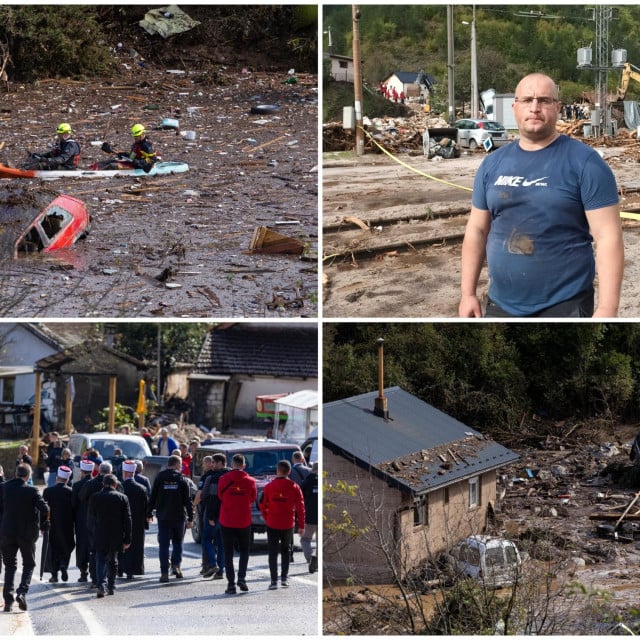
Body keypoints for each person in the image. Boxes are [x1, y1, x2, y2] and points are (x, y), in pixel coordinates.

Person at [459, 72, 624, 318]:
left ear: (557, 107)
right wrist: (468, 294)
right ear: (514, 107)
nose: (535, 108)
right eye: (527, 100)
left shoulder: (585, 163)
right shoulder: (492, 164)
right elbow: (477, 230)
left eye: (544, 100)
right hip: (499, 305)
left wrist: (607, 309)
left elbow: (608, 237)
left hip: (565, 306)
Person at [0, 464, 49, 612]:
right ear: (28, 476)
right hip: (26, 534)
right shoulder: (32, 490)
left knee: (10, 566)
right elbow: (45, 509)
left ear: (15, 473)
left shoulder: (3, 487)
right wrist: (44, 523)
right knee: (28, 564)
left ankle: (8, 601)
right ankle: (21, 592)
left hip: (7, 531)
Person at [147, 455, 193, 583]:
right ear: (178, 465)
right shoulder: (182, 479)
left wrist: (149, 512)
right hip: (179, 517)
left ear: (168, 464)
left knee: (164, 545)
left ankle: (164, 573)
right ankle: (176, 566)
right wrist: (191, 517)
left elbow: (153, 496)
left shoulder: (160, 477)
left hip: (163, 517)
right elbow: (188, 500)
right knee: (178, 542)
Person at [260, 460, 305, 590]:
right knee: (286, 551)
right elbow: (301, 508)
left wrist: (266, 517)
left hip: (272, 523)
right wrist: (301, 525)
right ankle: (284, 578)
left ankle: (274, 581)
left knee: (272, 553)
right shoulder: (294, 486)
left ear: (277, 471)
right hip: (288, 524)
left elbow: (262, 504)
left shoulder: (269, 487)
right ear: (289, 471)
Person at [218, 453, 257, 594]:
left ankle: (230, 584)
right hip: (243, 520)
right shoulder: (250, 481)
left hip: (227, 520)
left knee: (228, 552)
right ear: (244, 465)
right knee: (244, 550)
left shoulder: (223, 479)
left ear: (232, 464)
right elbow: (252, 498)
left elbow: (220, 496)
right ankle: (242, 577)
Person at [87, 474, 131, 598]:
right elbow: (127, 520)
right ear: (115, 485)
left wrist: (92, 533)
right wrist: (127, 538)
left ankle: (101, 584)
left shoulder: (95, 497)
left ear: (103, 484)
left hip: (100, 533)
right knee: (113, 560)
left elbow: (90, 518)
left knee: (100, 559)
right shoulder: (123, 497)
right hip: (116, 534)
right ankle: (111, 586)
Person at [42, 465, 75, 583]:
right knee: (67, 546)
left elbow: (43, 510)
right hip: (67, 525)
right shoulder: (71, 492)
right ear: (67, 479)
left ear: (57, 478)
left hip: (52, 524)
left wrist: (42, 525)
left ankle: (54, 574)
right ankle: (63, 565)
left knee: (53, 549)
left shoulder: (48, 491)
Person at [202, 453, 230, 580]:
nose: (211, 465)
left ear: (220, 463)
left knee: (207, 539)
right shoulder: (231, 476)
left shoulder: (213, 478)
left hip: (215, 515)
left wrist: (211, 516)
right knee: (221, 543)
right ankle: (221, 571)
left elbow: (211, 497)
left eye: (213, 462)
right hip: (227, 515)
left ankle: (213, 564)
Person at [119, 461, 149, 580]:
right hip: (137, 521)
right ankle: (132, 570)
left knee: (122, 545)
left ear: (125, 473)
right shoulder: (142, 488)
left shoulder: (120, 487)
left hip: (122, 521)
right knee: (136, 545)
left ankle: (120, 569)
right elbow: (146, 506)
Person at [72, 459, 95, 582]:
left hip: (81, 520)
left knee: (81, 546)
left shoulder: (77, 485)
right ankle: (94, 572)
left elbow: (73, 504)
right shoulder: (97, 483)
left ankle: (83, 572)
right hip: (95, 520)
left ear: (82, 471)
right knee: (93, 545)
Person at [300, 461, 318, 573]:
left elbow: (300, 499)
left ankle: (310, 557)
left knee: (305, 540)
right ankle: (317, 561)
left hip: (310, 516)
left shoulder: (306, 482)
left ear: (312, 468)